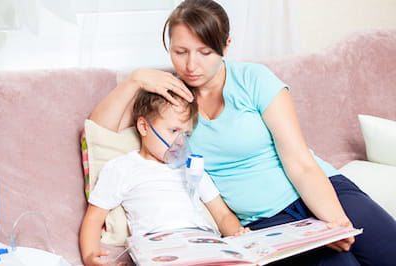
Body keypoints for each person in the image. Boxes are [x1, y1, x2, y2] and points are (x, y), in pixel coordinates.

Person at [88, 0, 396, 265]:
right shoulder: (168, 98)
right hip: (266, 223)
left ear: (225, 46)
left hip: (322, 190)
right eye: (180, 51)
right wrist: (135, 80)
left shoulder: (254, 79)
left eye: (205, 52)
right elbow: (100, 129)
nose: (191, 65)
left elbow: (301, 163)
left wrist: (333, 223)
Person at [80, 89, 249, 266]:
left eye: (186, 134)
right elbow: (93, 219)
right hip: (158, 250)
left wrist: (238, 235)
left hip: (203, 244)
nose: (180, 142)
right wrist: (90, 257)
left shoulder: (191, 168)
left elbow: (222, 215)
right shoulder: (122, 168)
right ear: (144, 127)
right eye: (173, 130)